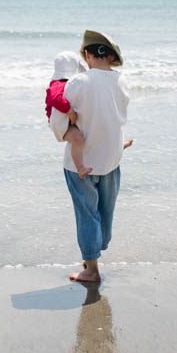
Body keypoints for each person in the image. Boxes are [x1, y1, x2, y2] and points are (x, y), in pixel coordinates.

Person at [61, 30, 131, 284]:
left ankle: (91, 269)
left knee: (86, 213)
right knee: (105, 210)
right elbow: (116, 116)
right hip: (112, 157)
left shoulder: (78, 82)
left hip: (82, 162)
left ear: (87, 55)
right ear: (111, 56)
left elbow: (59, 115)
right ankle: (95, 249)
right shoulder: (122, 81)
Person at [46, 51, 92, 179]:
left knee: (83, 137)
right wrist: (70, 111)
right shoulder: (57, 84)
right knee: (78, 139)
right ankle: (80, 168)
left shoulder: (69, 83)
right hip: (59, 122)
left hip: (64, 121)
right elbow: (54, 99)